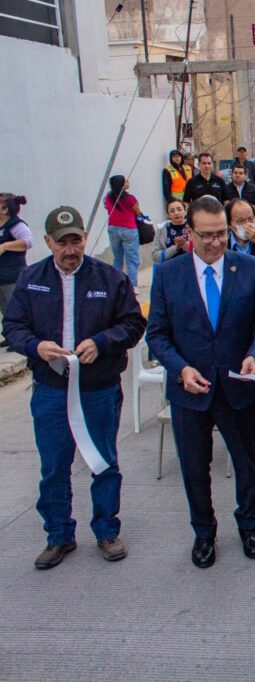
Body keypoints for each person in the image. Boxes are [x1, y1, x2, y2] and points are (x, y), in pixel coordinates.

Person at [2, 205, 145, 569]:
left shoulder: (110, 278)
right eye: (62, 242)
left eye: (77, 240)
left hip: (98, 389)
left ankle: (106, 530)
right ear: (47, 242)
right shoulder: (31, 279)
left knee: (103, 463)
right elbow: (13, 327)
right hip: (51, 389)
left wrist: (102, 341)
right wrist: (35, 347)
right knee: (53, 466)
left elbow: (133, 324)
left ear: (85, 238)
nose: (70, 249)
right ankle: (59, 535)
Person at [145, 196, 255, 569]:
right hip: (191, 390)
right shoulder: (169, 275)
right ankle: (204, 534)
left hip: (238, 386)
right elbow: (156, 335)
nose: (215, 242)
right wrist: (180, 369)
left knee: (246, 463)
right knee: (194, 467)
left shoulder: (250, 268)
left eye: (221, 233)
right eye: (206, 235)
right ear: (189, 232)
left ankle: (249, 525)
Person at [0, 194, 32, 342]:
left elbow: (27, 241)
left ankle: (21, 337)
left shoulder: (16, 225)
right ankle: (10, 336)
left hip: (12, 274)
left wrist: (5, 246)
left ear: (5, 209)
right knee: (5, 308)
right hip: (2, 275)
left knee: (16, 308)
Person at [103, 175, 144, 288]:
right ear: (122, 184)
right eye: (125, 181)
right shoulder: (130, 198)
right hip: (129, 229)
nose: (128, 182)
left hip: (113, 229)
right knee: (132, 259)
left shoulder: (108, 197)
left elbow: (106, 208)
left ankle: (117, 284)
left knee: (118, 258)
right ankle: (133, 285)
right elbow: (138, 212)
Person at [154, 199, 189, 263]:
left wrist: (184, 245)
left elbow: (201, 251)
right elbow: (155, 256)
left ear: (185, 211)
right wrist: (175, 248)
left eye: (179, 209)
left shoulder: (193, 227)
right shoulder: (161, 229)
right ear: (168, 215)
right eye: (172, 211)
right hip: (170, 269)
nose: (176, 213)